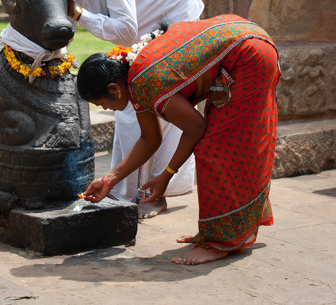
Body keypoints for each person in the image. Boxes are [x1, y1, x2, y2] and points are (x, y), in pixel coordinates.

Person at [76, 15, 280, 265]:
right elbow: (150, 139)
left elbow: (195, 128)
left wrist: (167, 174)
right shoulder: (133, 76)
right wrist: (109, 179)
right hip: (243, 38)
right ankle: (222, 228)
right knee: (221, 143)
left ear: (114, 89)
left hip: (250, 55)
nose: (105, 109)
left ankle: (219, 242)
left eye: (101, 104)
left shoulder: (144, 81)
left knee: (215, 150)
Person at [29, 0, 205, 218]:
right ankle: (148, 190)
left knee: (137, 105)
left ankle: (135, 195)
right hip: (146, 23)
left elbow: (123, 30)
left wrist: (77, 13)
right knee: (152, 106)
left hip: (174, 13)